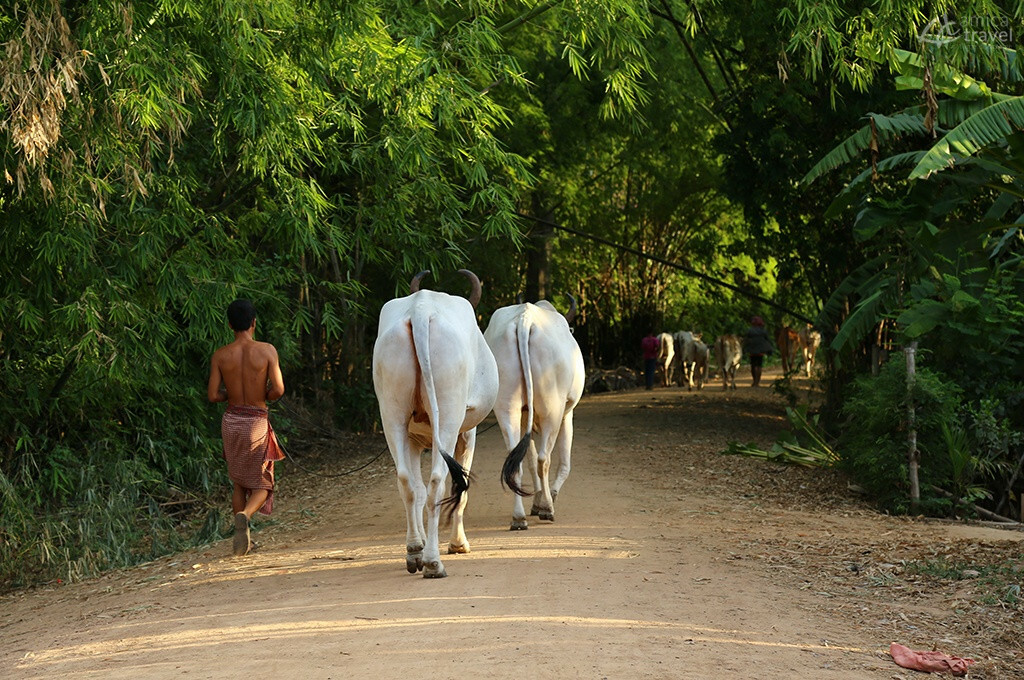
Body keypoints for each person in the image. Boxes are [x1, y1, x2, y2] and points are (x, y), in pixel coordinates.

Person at [208, 299, 286, 556]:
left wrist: (231, 395)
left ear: (230, 324)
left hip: (231, 421)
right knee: (264, 484)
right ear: (254, 323)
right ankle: (246, 515)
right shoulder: (267, 351)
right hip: (256, 421)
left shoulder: (221, 355)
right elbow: (278, 389)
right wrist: (263, 395)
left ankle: (245, 539)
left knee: (240, 482)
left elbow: (213, 395)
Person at [743, 315, 774, 387]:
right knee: (759, 366)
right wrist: (770, 349)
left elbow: (746, 340)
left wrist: (744, 349)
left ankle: (754, 381)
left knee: (753, 366)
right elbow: (768, 340)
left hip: (752, 351)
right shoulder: (763, 331)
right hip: (761, 351)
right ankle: (757, 382)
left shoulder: (750, 330)